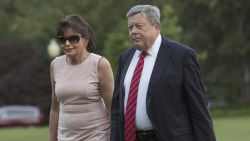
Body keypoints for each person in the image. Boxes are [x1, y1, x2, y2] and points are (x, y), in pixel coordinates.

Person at [111, 5, 216, 141]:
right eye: (130, 28)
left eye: (139, 26)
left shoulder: (181, 56)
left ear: (157, 26)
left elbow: (199, 109)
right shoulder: (125, 58)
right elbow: (117, 110)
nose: (133, 32)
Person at [49, 14, 114, 141]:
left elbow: (112, 109)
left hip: (98, 136)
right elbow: (54, 110)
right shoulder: (55, 65)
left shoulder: (100, 64)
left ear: (86, 39)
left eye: (73, 38)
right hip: (65, 137)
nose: (67, 43)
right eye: (63, 40)